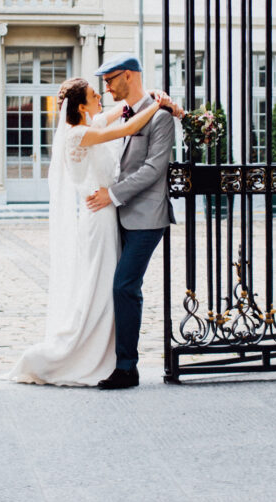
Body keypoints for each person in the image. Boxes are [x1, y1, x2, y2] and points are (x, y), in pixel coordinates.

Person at [10, 76, 171, 387]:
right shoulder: (78, 134)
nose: (101, 97)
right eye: (95, 95)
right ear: (82, 106)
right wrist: (158, 106)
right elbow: (125, 128)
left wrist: (148, 96)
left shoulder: (91, 122)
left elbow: (122, 112)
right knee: (99, 285)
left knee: (108, 286)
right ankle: (81, 352)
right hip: (98, 217)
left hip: (108, 215)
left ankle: (109, 353)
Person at [87, 54, 179, 391]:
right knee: (118, 287)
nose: (106, 87)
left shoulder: (161, 117)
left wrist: (110, 194)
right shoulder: (127, 112)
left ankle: (127, 367)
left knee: (125, 286)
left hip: (147, 217)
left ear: (128, 75)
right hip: (119, 216)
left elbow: (154, 170)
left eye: (111, 80)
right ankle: (114, 360)